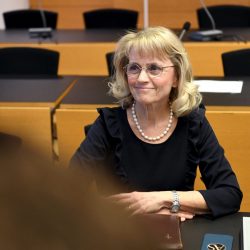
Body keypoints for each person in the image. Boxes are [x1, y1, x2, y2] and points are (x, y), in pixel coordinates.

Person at [70, 26, 242, 220]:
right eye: (134, 67)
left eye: (154, 68)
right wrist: (147, 211)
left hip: (176, 234)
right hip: (119, 234)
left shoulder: (194, 123)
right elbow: (66, 191)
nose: (142, 78)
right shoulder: (108, 124)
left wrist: (166, 200)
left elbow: (230, 194)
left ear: (176, 77)